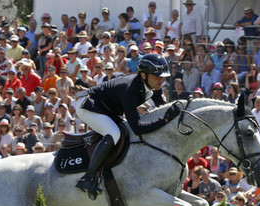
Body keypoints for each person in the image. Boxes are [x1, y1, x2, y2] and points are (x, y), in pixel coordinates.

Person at [72, 53, 180, 198]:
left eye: (162, 76)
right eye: (157, 76)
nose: (161, 80)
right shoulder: (130, 90)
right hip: (88, 105)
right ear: (143, 75)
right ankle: (87, 177)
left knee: (124, 132)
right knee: (114, 133)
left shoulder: (153, 86)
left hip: (107, 109)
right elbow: (138, 127)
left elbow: (164, 107)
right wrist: (164, 121)